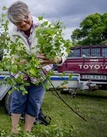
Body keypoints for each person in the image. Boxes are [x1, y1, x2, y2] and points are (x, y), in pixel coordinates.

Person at [7, 1, 66, 133]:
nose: (22, 23)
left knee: (34, 102)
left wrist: (56, 59)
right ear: (13, 23)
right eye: (18, 22)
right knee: (17, 100)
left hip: (41, 72)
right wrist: (16, 62)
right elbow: (8, 54)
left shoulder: (45, 26)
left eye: (25, 18)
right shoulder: (12, 33)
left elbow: (62, 48)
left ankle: (27, 131)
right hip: (20, 72)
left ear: (29, 13)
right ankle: (14, 131)